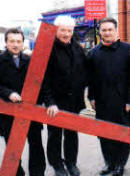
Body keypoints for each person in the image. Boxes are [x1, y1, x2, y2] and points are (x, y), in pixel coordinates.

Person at [0, 28, 46, 176]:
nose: (15, 44)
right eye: (12, 41)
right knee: (13, 150)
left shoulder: (31, 61)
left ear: (23, 43)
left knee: (36, 147)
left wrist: (42, 102)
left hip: (31, 113)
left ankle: (37, 173)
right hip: (8, 114)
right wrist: (8, 93)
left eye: (18, 41)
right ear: (6, 42)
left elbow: (41, 84)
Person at [88, 17, 130, 176]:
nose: (107, 32)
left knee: (122, 134)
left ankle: (120, 165)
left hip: (122, 101)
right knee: (104, 134)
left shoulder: (128, 49)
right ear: (100, 32)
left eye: (110, 29)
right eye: (104, 30)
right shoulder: (93, 52)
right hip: (102, 102)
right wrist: (92, 97)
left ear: (116, 30)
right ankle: (109, 163)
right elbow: (91, 78)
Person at [41, 15, 88, 176]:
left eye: (69, 30)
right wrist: (50, 102)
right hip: (55, 102)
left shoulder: (78, 48)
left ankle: (71, 163)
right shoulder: (47, 48)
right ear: (56, 30)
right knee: (55, 135)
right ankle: (57, 165)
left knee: (71, 134)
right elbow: (44, 79)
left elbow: (84, 73)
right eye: (62, 30)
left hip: (73, 101)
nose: (66, 34)